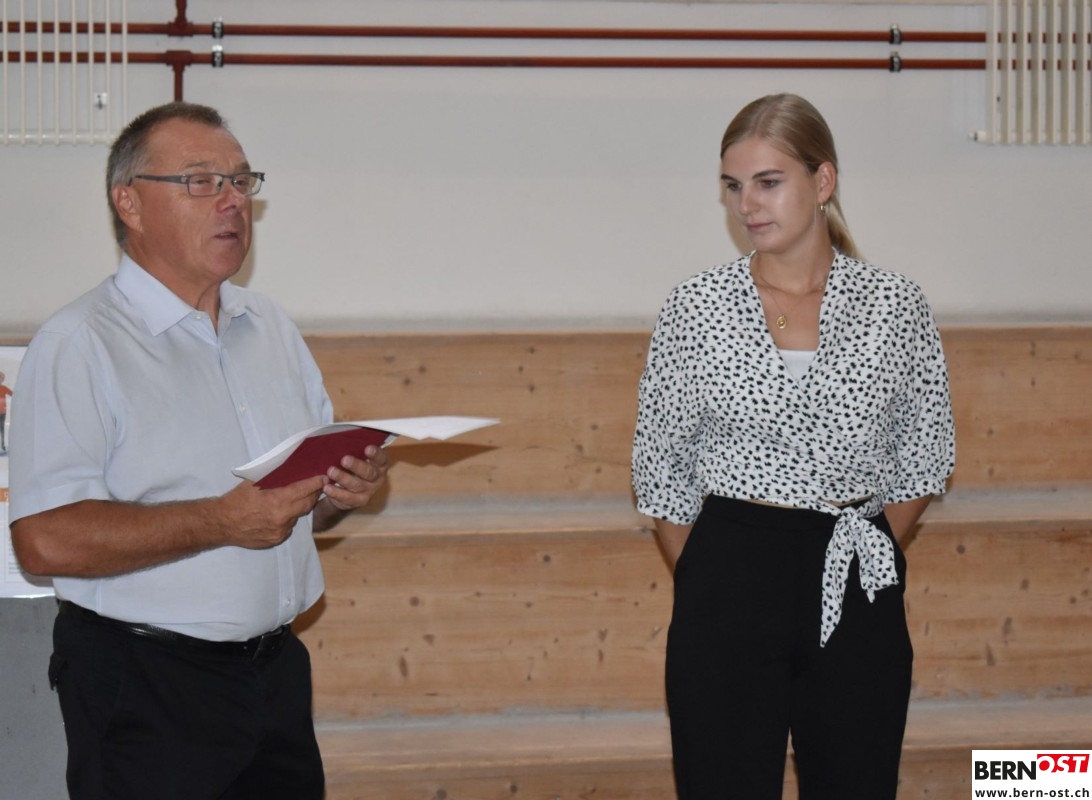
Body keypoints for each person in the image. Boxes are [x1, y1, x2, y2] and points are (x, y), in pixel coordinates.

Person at [8, 102, 389, 800]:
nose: (232, 201)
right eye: (201, 181)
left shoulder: (269, 326)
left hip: (274, 677)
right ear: (129, 203)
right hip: (147, 687)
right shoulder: (79, 344)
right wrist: (219, 521)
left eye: (242, 182)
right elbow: (44, 540)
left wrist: (339, 492)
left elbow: (294, 512)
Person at [631, 93, 955, 800]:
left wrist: (861, 544)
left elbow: (925, 453)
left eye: (768, 182)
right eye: (733, 185)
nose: (746, 204)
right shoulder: (695, 307)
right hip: (728, 577)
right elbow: (661, 468)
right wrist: (721, 570)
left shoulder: (895, 304)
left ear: (823, 181)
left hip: (858, 572)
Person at [0, 371, 12, 453]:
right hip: (2, 411)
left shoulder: (4, 388)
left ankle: (2, 445)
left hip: (2, 412)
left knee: (2, 429)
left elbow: (12, 394)